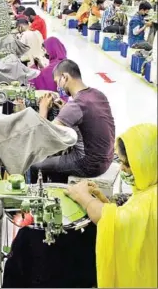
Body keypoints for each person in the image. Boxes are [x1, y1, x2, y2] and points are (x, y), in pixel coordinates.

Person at [66, 123, 157, 288]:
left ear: (146, 162)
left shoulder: (153, 199)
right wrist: (100, 198)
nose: (122, 168)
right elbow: (129, 219)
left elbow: (117, 220)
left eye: (127, 164)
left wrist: (83, 197)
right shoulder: (149, 187)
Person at [31, 59, 115, 183]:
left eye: (57, 82)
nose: (57, 87)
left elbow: (44, 134)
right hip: (107, 158)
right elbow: (89, 118)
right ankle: (58, 181)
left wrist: (43, 109)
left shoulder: (76, 105)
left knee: (34, 165)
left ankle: (38, 196)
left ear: (65, 77)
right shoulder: (98, 94)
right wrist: (65, 109)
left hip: (88, 164)